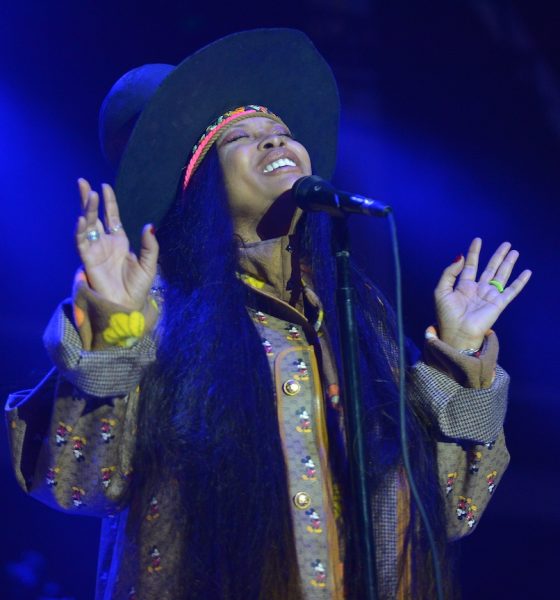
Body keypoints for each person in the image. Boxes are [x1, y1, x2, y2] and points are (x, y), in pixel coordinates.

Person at [5, 29, 531, 600]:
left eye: (281, 133)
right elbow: (78, 483)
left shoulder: (358, 322)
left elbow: (451, 512)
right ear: (201, 182)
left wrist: (461, 357)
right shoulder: (161, 312)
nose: (274, 142)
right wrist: (114, 328)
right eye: (242, 138)